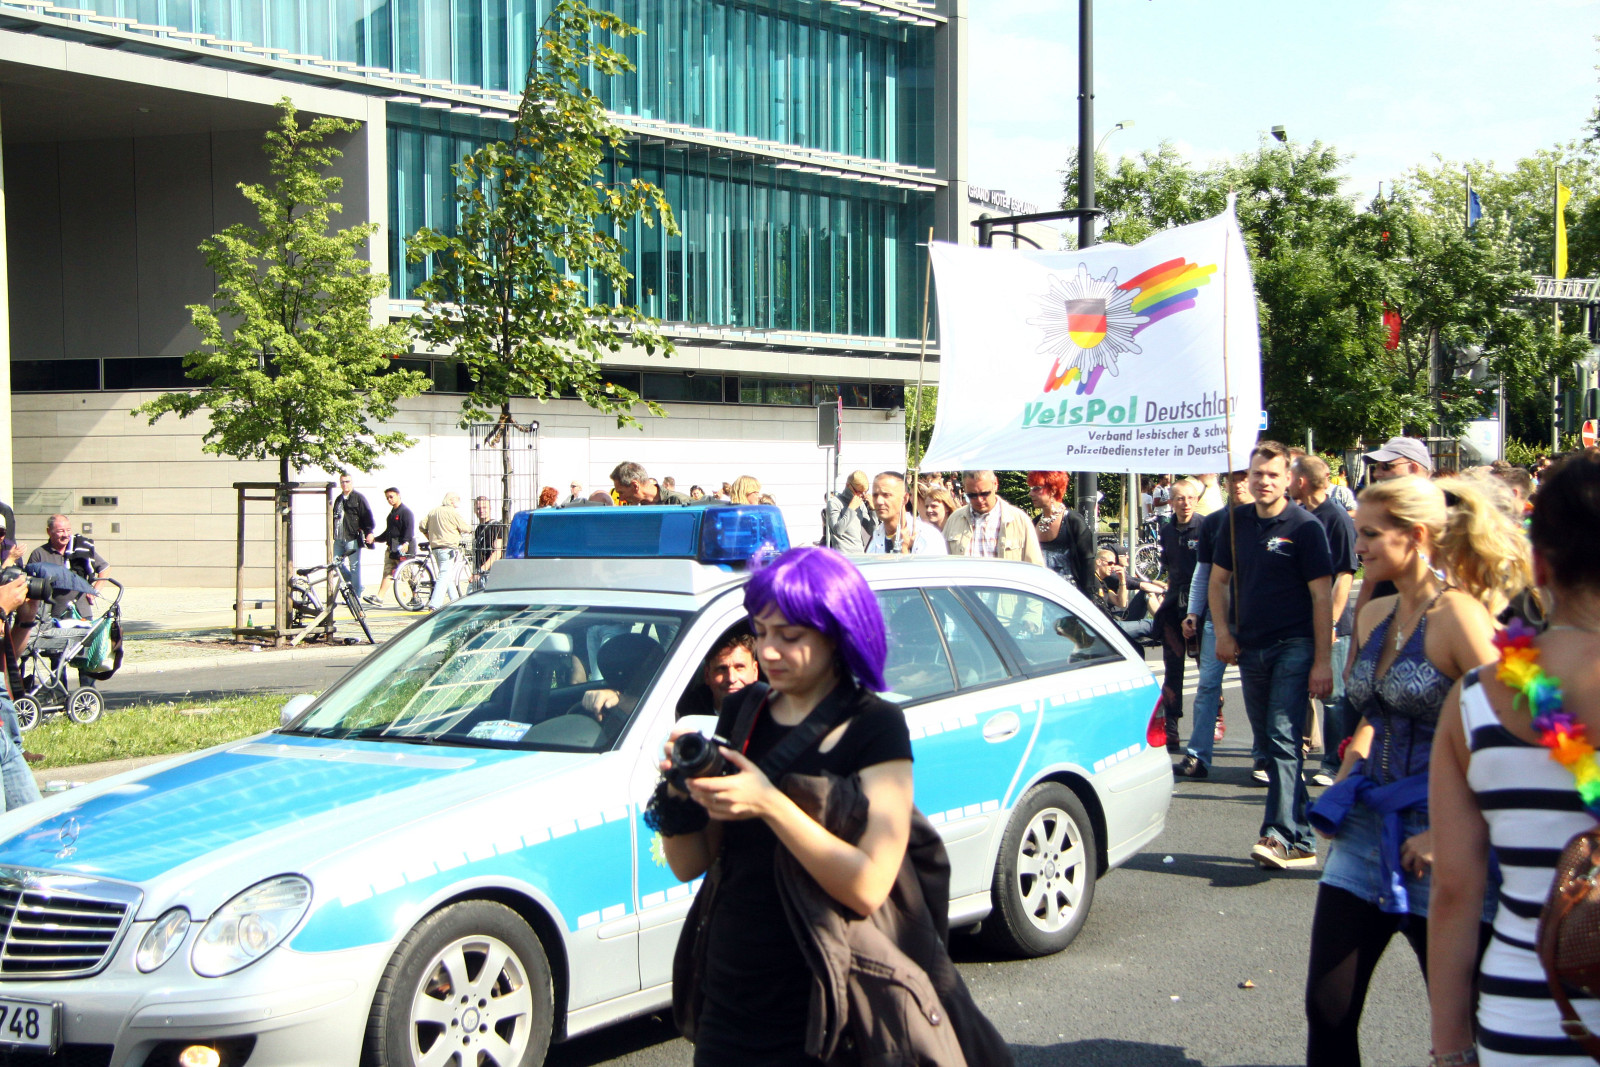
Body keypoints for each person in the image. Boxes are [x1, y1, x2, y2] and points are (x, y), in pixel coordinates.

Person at [655, 546, 1004, 1066]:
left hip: (830, 1002)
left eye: (789, 636)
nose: (769, 651)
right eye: (761, 633)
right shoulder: (743, 711)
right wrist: (678, 792)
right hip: (730, 998)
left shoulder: (874, 726)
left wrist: (770, 804)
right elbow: (690, 864)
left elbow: (868, 885)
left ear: (838, 634)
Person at [1302, 474, 1523, 1067]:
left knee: (1464, 1028)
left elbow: (1513, 730)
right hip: (1364, 829)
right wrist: (1345, 778)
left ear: (1417, 536)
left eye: (1372, 534)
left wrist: (1448, 832)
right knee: (1327, 1008)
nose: (1359, 547)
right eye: (1358, 532)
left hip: (1445, 840)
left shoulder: (1461, 618)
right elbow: (1376, 712)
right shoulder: (1375, 613)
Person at [1430, 450, 1600, 1066]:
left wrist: (1451, 1048)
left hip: (1525, 1015)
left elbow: (1456, 890)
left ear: (1541, 563)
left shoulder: (1475, 699)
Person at [1210, 441, 1335, 869]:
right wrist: (1223, 633)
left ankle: (1278, 834)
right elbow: (1218, 581)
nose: (1263, 481)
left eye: (1272, 475)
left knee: (1283, 738)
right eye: (1257, 474)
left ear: (1289, 480)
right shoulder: (1235, 523)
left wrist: (1322, 660)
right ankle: (1302, 838)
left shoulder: (1305, 527)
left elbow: (1322, 597)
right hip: (1249, 647)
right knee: (1268, 745)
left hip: (1294, 645)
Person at [1178, 470, 1254, 778]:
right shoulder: (1214, 522)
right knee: (1208, 687)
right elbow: (1203, 573)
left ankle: (1265, 757)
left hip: (1255, 621)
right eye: (1233, 478)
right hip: (1217, 619)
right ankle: (1197, 755)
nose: (1238, 484)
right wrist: (1194, 613)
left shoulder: (1265, 520)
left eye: (1244, 478)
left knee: (1257, 689)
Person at [1292, 454, 1360, 787]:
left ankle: (1334, 764)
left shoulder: (1336, 518)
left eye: (1290, 476)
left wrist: (1329, 623)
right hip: (1303, 621)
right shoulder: (1302, 516)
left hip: (1333, 625)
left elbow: (1345, 575)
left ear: (1301, 481)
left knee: (1334, 698)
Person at [1154, 478, 1203, 750]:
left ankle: (1215, 714)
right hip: (1174, 604)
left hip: (1201, 604)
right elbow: (1168, 566)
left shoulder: (1206, 526)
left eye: (1190, 498)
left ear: (1196, 500)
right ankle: (1171, 723)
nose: (1185, 503)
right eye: (1180, 499)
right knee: (1173, 666)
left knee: (1205, 666)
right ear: (1171, 502)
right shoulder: (1166, 530)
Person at [943, 471, 1045, 563]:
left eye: (984, 493)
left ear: (995, 484)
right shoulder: (954, 520)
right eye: (972, 495)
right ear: (964, 489)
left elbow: (1035, 565)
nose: (979, 500)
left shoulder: (1019, 520)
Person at [1029, 471, 1093, 591]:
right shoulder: (1034, 522)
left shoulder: (1073, 520)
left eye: (1036, 488)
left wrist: (1089, 594)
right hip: (1040, 592)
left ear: (1053, 491)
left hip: (1068, 593)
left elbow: (1087, 561)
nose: (1031, 493)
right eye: (1031, 489)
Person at [676, 630, 763, 719]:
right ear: (707, 674)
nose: (731, 678)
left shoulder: (768, 716)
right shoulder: (685, 713)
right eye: (722, 669)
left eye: (740, 667)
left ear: (755, 671)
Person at [865, 472, 946, 555]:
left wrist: (904, 550)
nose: (879, 501)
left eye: (886, 495)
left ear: (904, 498)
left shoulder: (927, 537)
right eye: (875, 495)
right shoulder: (875, 538)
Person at [421, 492, 471, 611]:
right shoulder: (452, 512)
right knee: (444, 575)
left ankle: (456, 601)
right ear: (451, 500)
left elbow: (422, 526)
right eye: (458, 499)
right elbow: (465, 527)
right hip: (448, 548)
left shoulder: (433, 511)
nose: (459, 502)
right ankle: (434, 604)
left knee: (447, 575)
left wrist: (430, 538)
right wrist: (471, 530)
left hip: (435, 548)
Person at [331, 473, 375, 606]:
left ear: (352, 482)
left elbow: (367, 515)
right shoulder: (339, 499)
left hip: (352, 537)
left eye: (347, 481)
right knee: (336, 563)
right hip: (339, 537)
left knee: (354, 565)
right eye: (342, 482)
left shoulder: (358, 498)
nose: (345, 484)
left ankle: (355, 594)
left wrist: (369, 532)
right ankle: (357, 585)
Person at [367, 488, 416, 608]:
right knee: (388, 572)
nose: (389, 500)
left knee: (407, 574)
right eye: (387, 498)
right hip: (392, 548)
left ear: (398, 495)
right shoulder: (391, 515)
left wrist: (406, 543)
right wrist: (375, 539)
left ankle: (416, 597)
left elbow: (409, 530)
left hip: (402, 548)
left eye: (391, 496)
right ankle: (379, 598)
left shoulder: (405, 512)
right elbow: (388, 532)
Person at [823, 470, 875, 553]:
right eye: (859, 492)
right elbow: (838, 531)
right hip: (842, 555)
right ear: (848, 486)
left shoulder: (861, 504)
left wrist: (873, 511)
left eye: (865, 492)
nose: (862, 495)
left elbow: (872, 531)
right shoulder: (834, 503)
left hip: (859, 554)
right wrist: (851, 509)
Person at [612, 461, 692, 505]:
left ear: (635, 486)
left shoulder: (680, 503)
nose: (621, 498)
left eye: (621, 492)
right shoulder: (636, 508)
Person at [472, 496, 504, 582]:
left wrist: (482, 569)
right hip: (480, 573)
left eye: (484, 507)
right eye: (478, 508)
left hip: (491, 573)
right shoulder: (478, 529)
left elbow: (497, 553)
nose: (481, 510)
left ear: (490, 508)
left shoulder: (496, 526)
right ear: (475, 510)